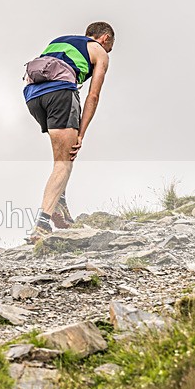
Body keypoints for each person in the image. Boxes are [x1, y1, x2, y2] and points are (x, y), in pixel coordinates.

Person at [24, 22, 114, 243]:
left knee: (60, 157)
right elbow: (93, 96)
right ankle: (42, 224)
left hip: (32, 97)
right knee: (64, 162)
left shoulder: (59, 41)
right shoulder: (99, 51)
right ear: (105, 38)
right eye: (110, 46)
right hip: (60, 93)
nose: (108, 51)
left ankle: (60, 203)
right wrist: (81, 134)